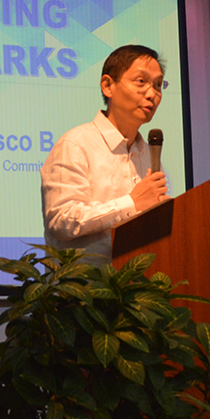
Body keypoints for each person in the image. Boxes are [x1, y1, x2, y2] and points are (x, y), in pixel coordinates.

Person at [40, 44, 169, 261]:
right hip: (85, 282)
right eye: (141, 81)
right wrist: (131, 203)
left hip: (138, 279)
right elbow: (61, 220)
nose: (152, 94)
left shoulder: (149, 154)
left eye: (158, 85)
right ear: (108, 86)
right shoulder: (75, 144)